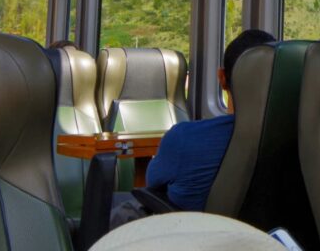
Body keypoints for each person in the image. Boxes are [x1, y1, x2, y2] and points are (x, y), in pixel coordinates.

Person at [112, 29, 276, 226]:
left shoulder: (184, 138)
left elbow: (152, 184)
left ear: (222, 78)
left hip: (190, 237)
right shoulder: (304, 141)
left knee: (118, 206)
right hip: (271, 241)